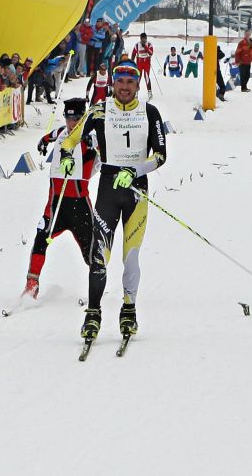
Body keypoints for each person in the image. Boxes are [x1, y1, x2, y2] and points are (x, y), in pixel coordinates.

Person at [58, 60, 167, 343]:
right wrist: (68, 156)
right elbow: (70, 141)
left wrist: (135, 170)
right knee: (99, 258)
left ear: (137, 85)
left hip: (135, 190)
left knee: (130, 258)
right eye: (120, 82)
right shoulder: (99, 109)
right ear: (114, 83)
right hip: (107, 187)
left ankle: (128, 309)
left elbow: (160, 155)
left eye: (131, 83)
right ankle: (93, 313)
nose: (125, 87)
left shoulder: (150, 112)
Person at [23, 98, 96, 299]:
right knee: (40, 238)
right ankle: (32, 284)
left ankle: (95, 286)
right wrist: (44, 140)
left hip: (79, 204)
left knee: (90, 250)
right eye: (68, 117)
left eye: (76, 118)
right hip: (55, 204)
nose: (72, 122)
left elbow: (98, 143)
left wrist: (92, 145)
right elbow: (54, 134)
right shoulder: (63, 132)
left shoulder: (90, 136)